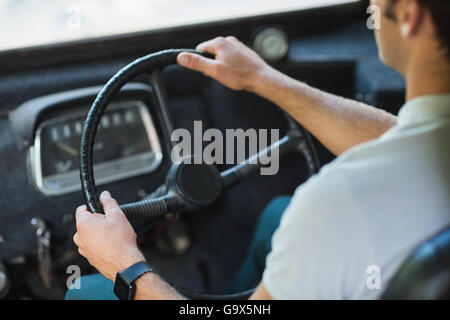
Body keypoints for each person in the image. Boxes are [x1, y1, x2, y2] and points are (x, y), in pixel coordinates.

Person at [67, 0, 450, 300]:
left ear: (410, 15)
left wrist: (126, 267)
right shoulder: (430, 149)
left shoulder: (340, 204)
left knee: (87, 291)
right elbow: (401, 139)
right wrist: (263, 79)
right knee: (278, 217)